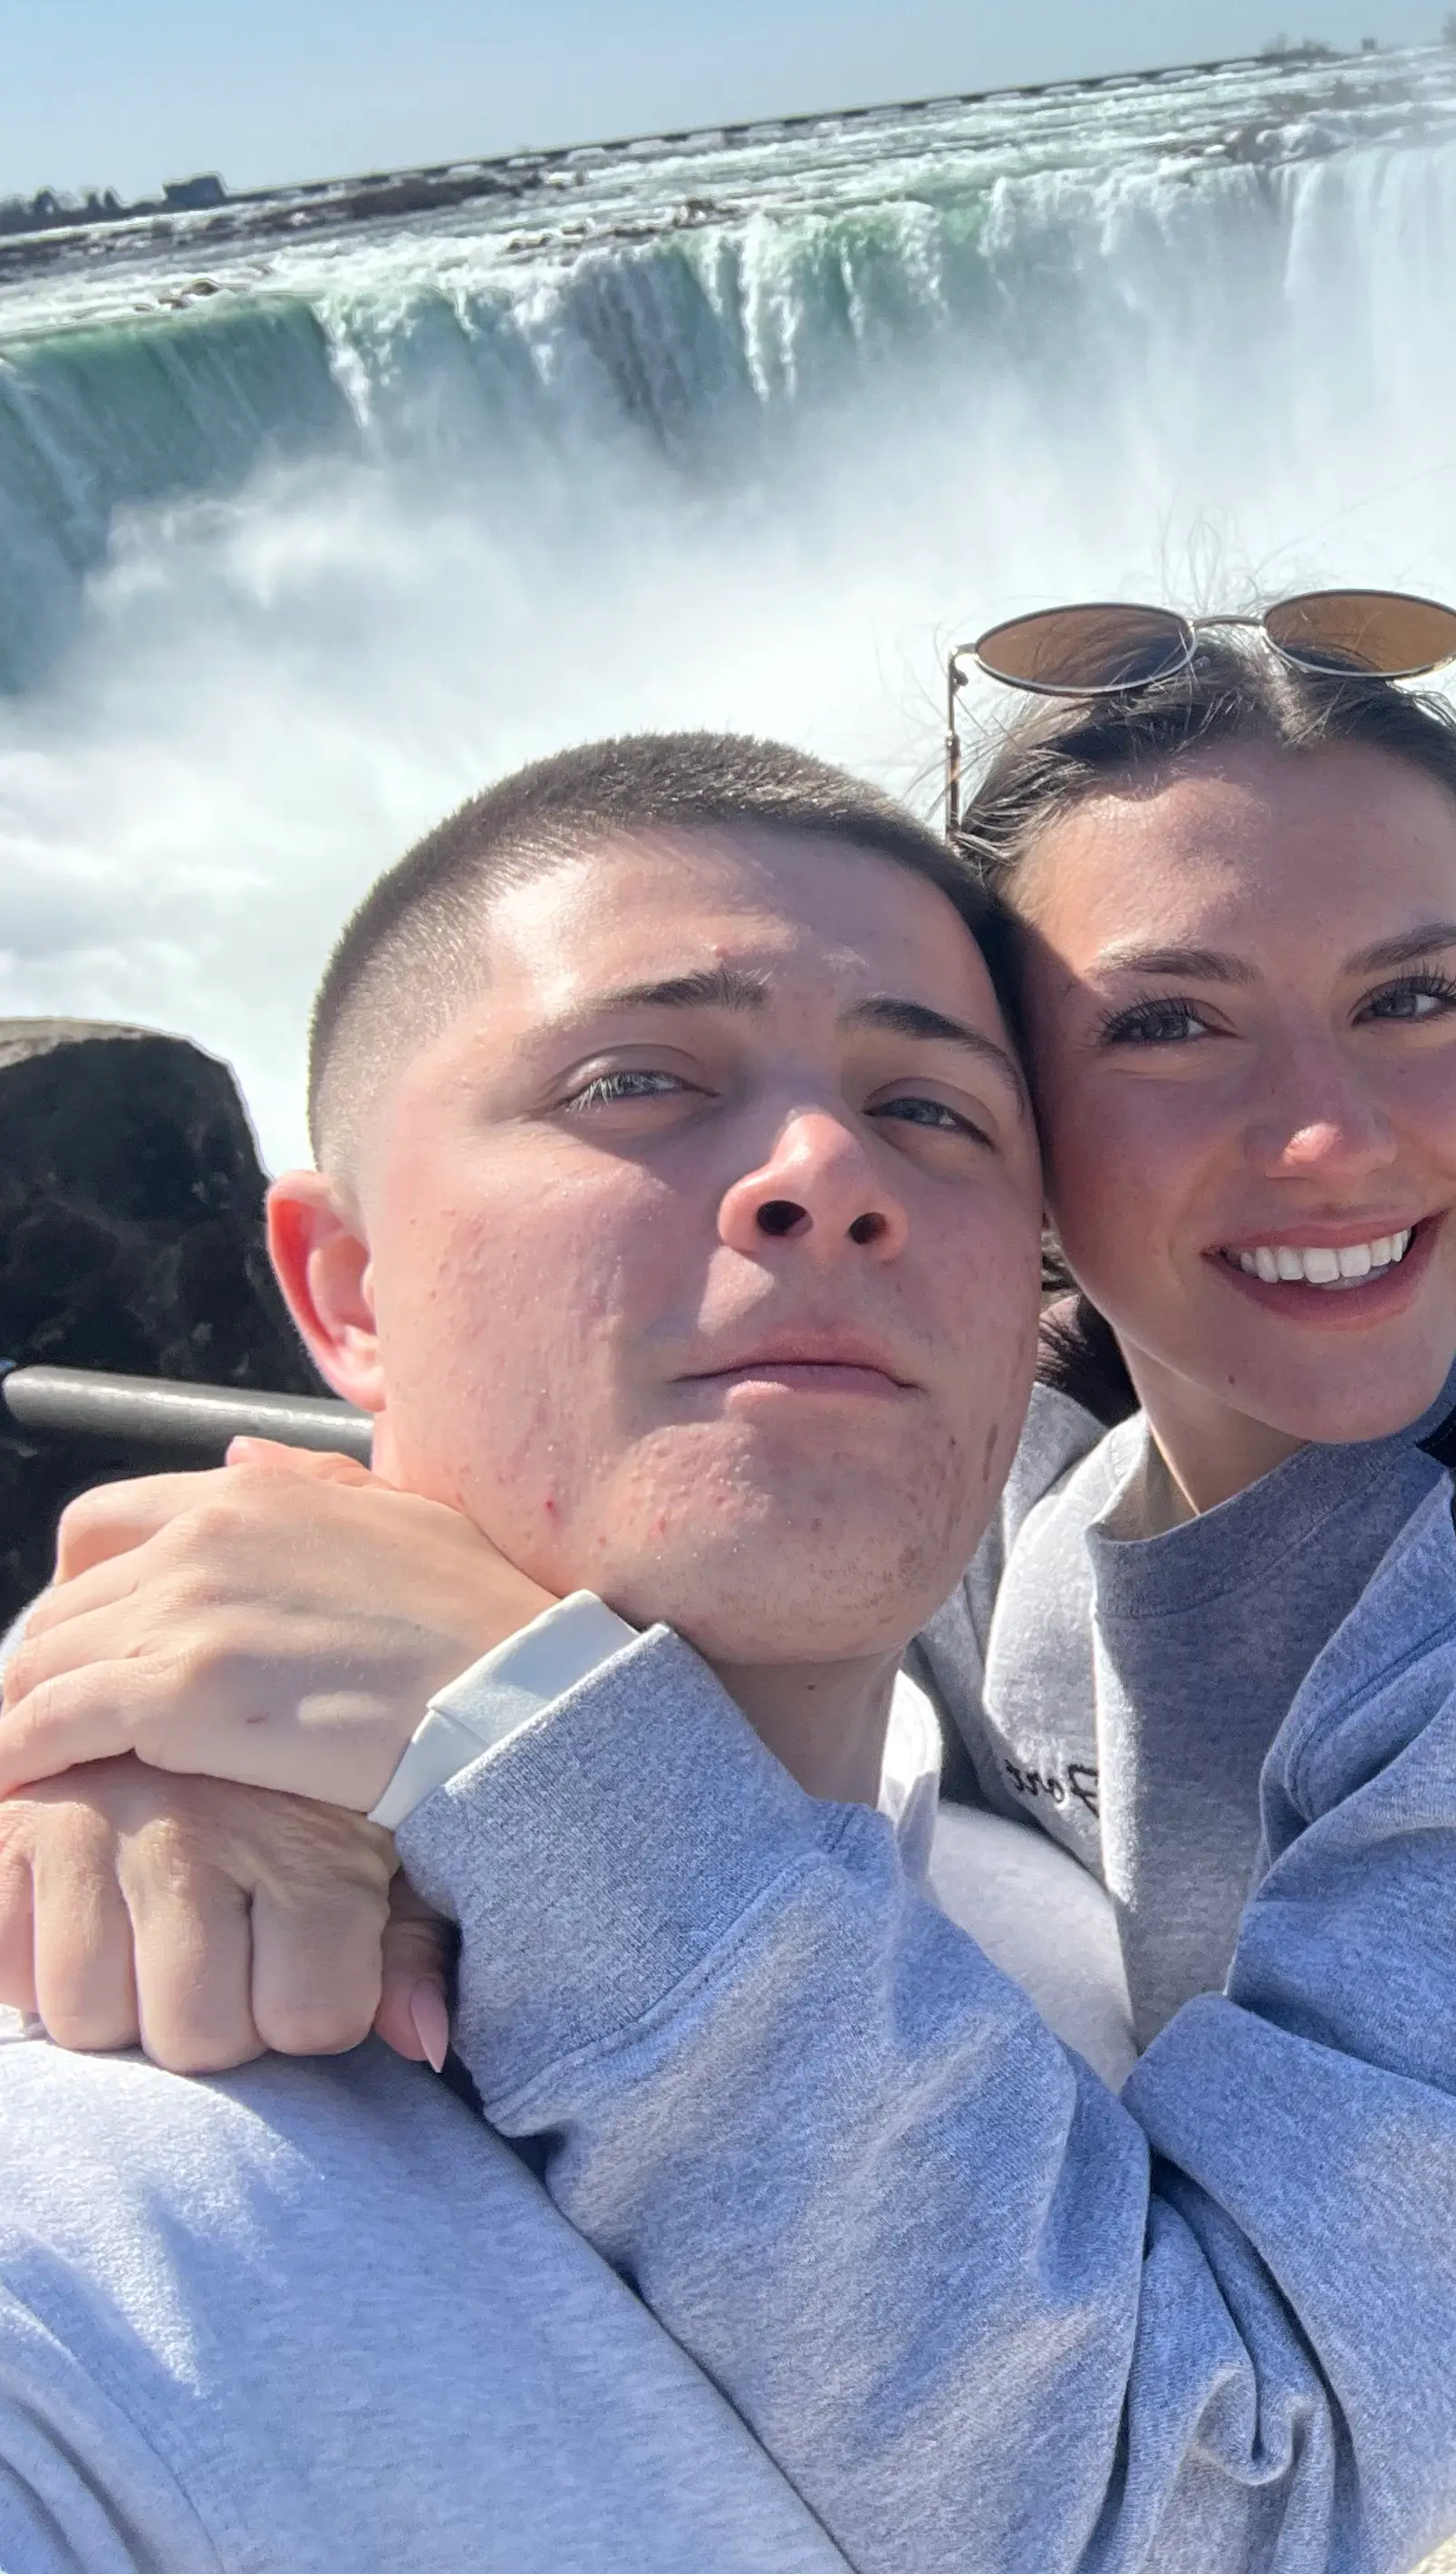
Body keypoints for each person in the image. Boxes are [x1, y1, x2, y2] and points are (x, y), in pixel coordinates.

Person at [6, 625, 1456, 2573]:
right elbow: (708, 1566)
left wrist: (495, 1731)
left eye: (1412, 999)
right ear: (1034, 1156)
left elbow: (1199, 2504)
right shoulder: (1045, 1417)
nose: (1330, 1129)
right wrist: (211, 1728)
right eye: (1166, 1022)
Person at [0, 731, 1126, 2569]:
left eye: (936, 1113)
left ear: (1030, 1303)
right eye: (638, 1081)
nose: (824, 1174)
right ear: (345, 1288)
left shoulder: (1071, 1935)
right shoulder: (80, 2232)